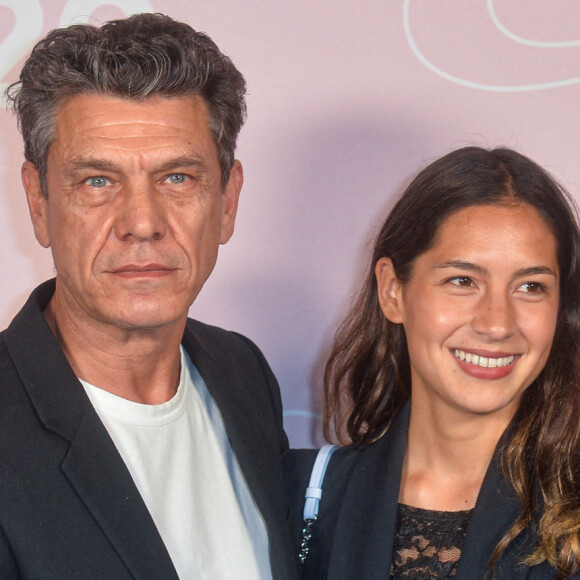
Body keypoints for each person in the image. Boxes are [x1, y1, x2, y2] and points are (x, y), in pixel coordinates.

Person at [0, 13, 298, 579]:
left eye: (177, 178)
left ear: (228, 200)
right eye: (97, 181)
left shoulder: (243, 373)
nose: (142, 222)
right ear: (39, 204)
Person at [284, 146, 580, 579]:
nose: (497, 324)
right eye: (462, 281)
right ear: (392, 291)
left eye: (531, 286)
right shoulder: (299, 494)